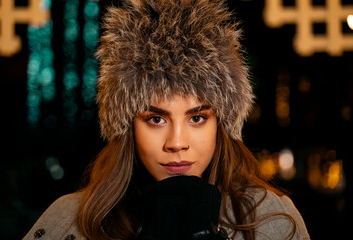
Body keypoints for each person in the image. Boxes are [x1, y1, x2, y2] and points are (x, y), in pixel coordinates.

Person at [23, 0, 310, 239]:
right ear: (127, 126)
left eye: (197, 117)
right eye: (156, 119)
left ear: (221, 123)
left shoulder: (273, 220)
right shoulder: (69, 221)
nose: (176, 143)